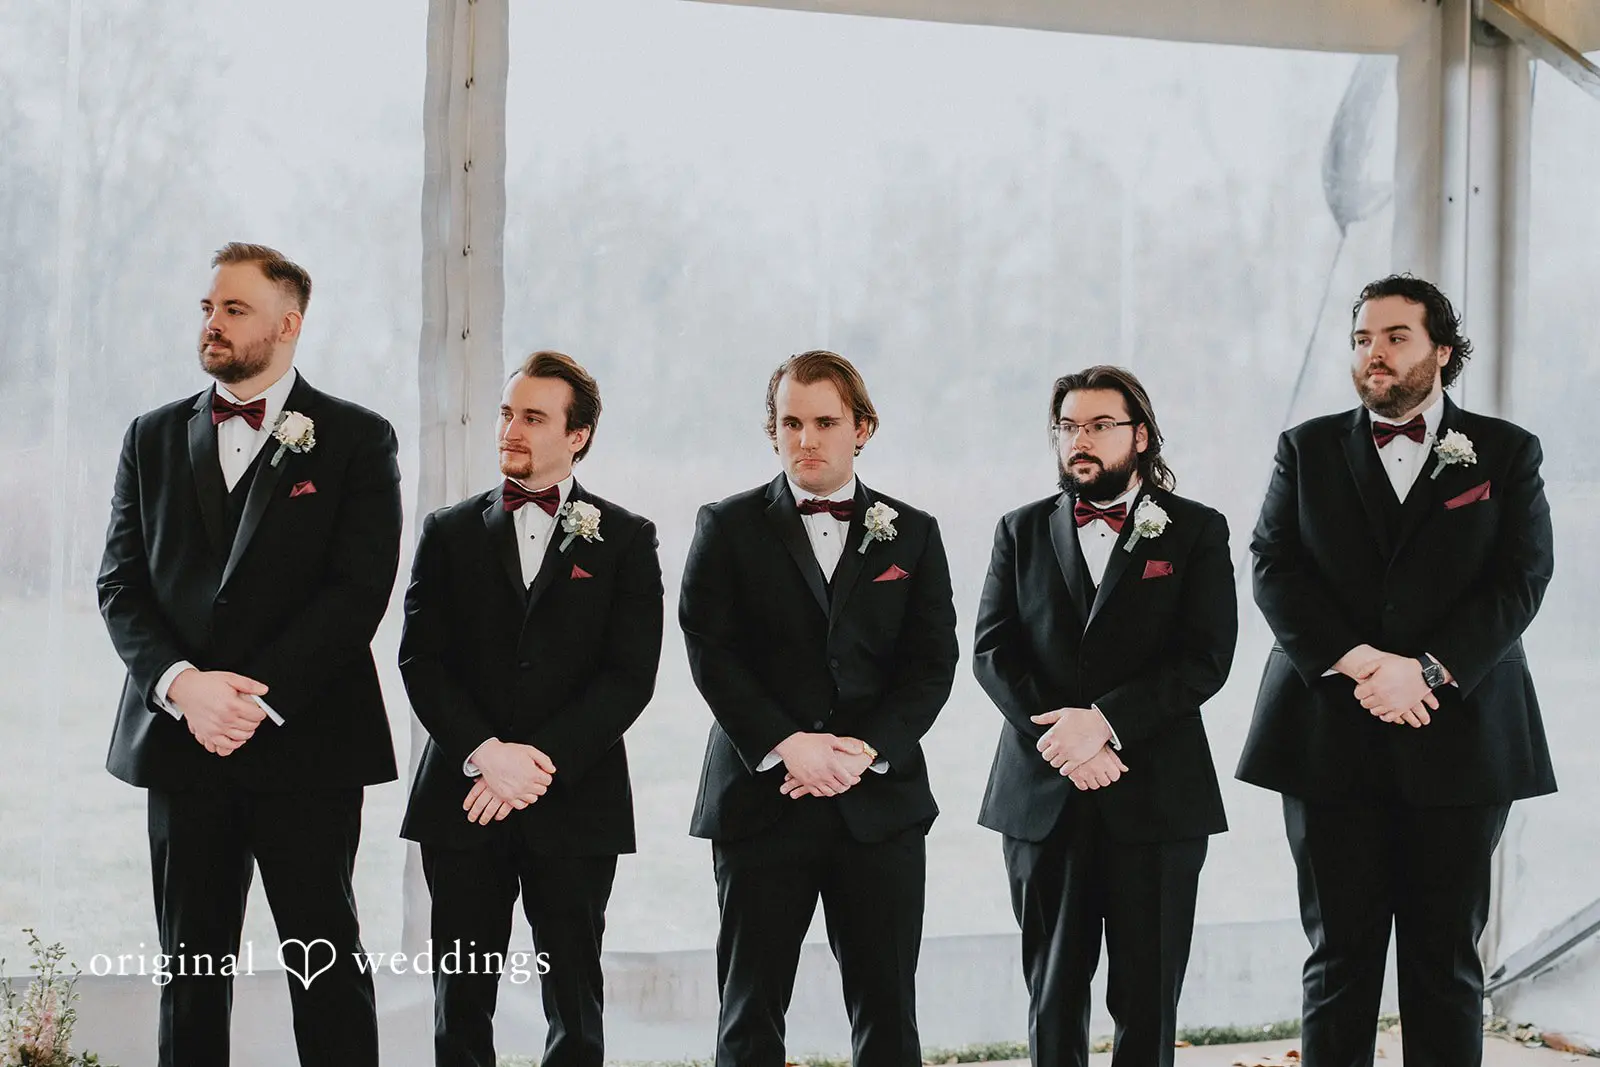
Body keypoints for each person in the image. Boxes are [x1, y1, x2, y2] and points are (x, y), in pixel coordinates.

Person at [1237, 274, 1556, 1067]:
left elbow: (1521, 577)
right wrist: (1360, 662)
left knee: (1446, 962)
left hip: (1463, 734)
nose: (1372, 353)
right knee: (1338, 958)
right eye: (1361, 339)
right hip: (1326, 733)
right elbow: (1274, 566)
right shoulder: (1305, 448)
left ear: (1442, 351)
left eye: (1394, 336)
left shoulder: (1506, 451)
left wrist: (1429, 670)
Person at [97, 241, 402, 1066]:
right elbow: (121, 584)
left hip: (306, 740)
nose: (212, 323)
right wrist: (185, 687)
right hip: (180, 741)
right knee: (190, 968)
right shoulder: (151, 435)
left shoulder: (357, 438)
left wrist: (253, 701)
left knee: (325, 959)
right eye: (207, 307)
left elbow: (357, 593)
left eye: (233, 309)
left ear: (289, 323)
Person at [680, 350, 959, 1067]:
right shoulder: (727, 525)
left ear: (862, 427)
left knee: (889, 1012)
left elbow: (931, 666)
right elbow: (712, 652)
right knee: (749, 1011)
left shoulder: (915, 532)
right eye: (790, 422)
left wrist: (860, 750)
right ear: (772, 430)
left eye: (824, 422)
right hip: (761, 797)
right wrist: (787, 745)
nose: (806, 438)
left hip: (879, 808)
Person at [398, 350, 663, 1067]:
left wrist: (535, 765)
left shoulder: (628, 539)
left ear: (578, 435)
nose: (510, 428)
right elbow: (421, 660)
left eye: (534, 416)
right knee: (460, 996)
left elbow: (629, 676)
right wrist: (487, 754)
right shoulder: (446, 532)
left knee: (575, 995)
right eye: (507, 412)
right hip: (463, 796)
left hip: (575, 798)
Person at [974, 365, 1236, 1066]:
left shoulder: (1198, 531)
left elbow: (1206, 658)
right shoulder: (1020, 529)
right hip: (1042, 795)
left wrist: (1106, 722)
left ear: (1140, 435)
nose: (1078, 440)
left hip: (1156, 796)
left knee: (1148, 999)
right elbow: (993, 652)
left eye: (1098, 425)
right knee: (1052, 993)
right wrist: (1067, 739)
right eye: (1067, 427)